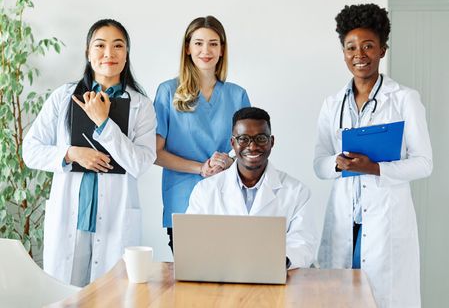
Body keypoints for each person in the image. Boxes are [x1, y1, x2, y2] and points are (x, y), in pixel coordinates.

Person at [313, 4, 432, 307]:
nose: (359, 54)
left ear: (382, 50)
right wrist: (336, 164)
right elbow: (319, 163)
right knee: (341, 298)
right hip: (345, 221)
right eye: (351, 47)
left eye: (368, 46)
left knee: (380, 300)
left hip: (385, 223)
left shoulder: (404, 99)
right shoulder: (332, 104)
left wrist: (375, 168)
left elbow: (424, 163)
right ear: (343, 53)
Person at [23, 19, 157, 286]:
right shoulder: (64, 97)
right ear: (87, 52)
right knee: (64, 296)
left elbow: (141, 163)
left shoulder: (141, 105)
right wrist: (71, 154)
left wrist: (104, 124)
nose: (109, 54)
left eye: (118, 46)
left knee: (113, 298)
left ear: (127, 54)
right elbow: (31, 151)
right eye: (100, 45)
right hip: (70, 218)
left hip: (115, 221)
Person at [154, 16, 250, 252]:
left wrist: (229, 160)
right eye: (198, 43)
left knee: (230, 280)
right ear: (187, 48)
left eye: (213, 43)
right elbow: (155, 153)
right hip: (183, 198)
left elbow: (251, 149)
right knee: (190, 280)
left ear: (222, 50)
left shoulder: (237, 95)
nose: (205, 50)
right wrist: (200, 168)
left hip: (228, 199)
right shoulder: (167, 92)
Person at [187, 107, 317, 269]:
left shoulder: (297, 191)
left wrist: (277, 261)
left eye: (261, 138)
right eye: (243, 139)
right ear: (233, 143)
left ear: (272, 142)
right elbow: (193, 241)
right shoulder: (206, 190)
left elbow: (303, 243)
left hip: (277, 280)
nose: (253, 146)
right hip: (221, 279)